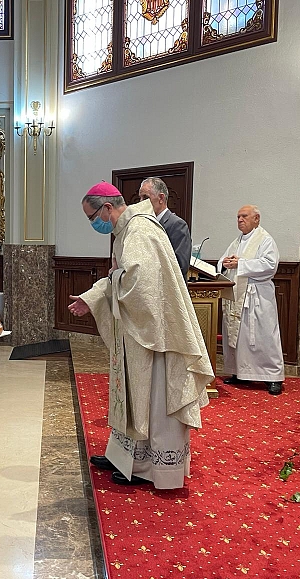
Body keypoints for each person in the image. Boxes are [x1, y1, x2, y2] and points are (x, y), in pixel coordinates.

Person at [68, 182, 213, 489]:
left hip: (155, 337)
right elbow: (122, 276)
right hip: (139, 332)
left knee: (153, 396)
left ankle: (149, 465)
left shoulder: (139, 231)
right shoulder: (128, 230)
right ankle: (125, 455)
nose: (93, 223)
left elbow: (140, 285)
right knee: (131, 394)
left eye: (92, 216)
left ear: (108, 208)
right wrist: (92, 297)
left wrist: (114, 277)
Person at [218, 205, 284, 395]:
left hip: (258, 297)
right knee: (240, 338)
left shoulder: (265, 240)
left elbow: (270, 265)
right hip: (238, 294)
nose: (240, 219)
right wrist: (224, 263)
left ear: (256, 219)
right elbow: (224, 259)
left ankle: (273, 377)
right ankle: (241, 372)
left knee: (263, 337)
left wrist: (241, 263)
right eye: (238, 216)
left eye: (244, 216)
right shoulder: (237, 241)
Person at [139, 177, 191, 279]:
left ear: (161, 198)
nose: (141, 202)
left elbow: (180, 265)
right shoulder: (144, 224)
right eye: (140, 198)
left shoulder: (177, 225)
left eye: (145, 198)